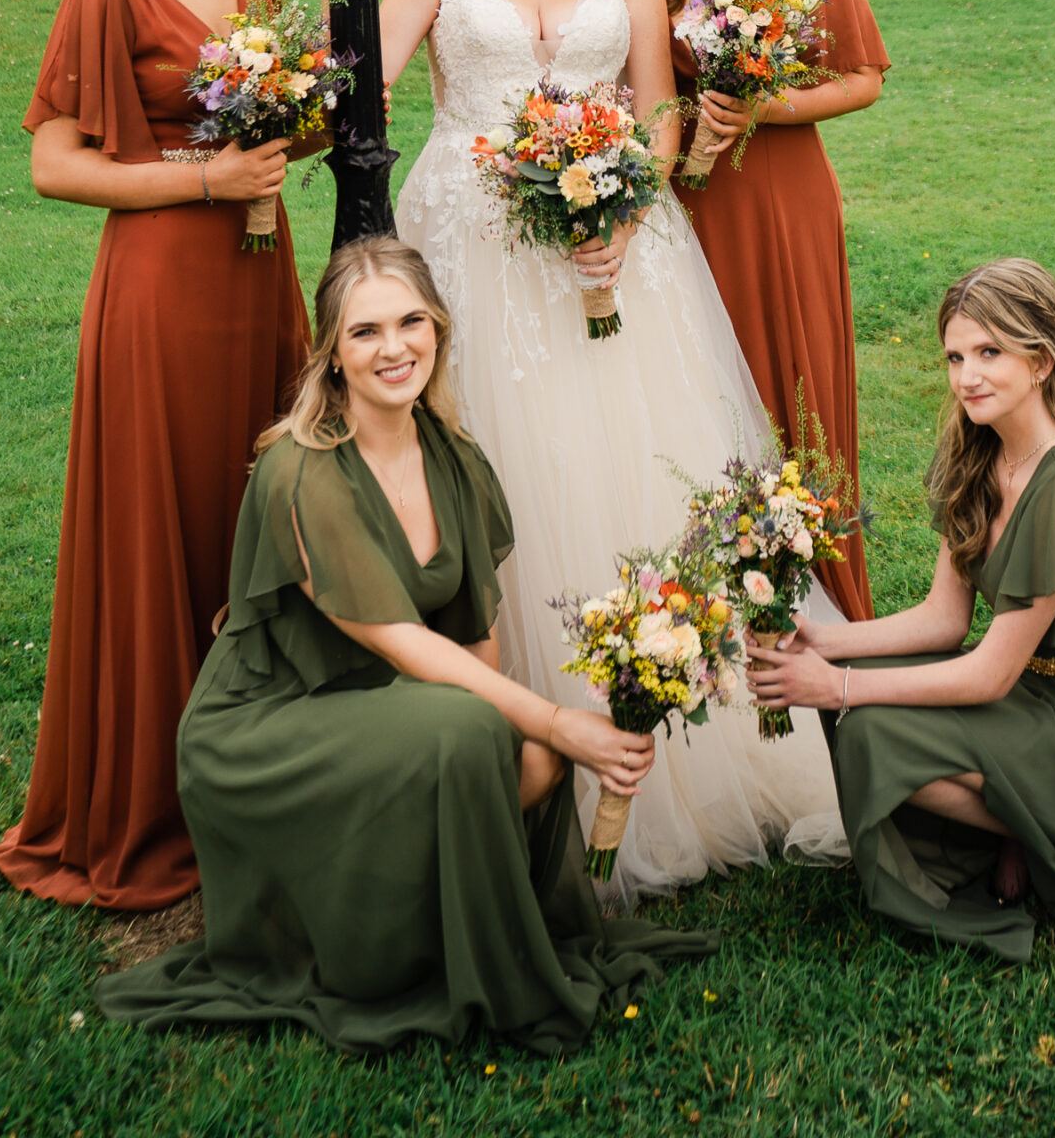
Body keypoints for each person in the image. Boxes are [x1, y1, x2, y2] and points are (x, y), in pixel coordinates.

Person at [307, 0, 845, 899]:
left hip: (617, 249)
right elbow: (369, 83)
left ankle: (684, 735)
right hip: (471, 236)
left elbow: (655, 110)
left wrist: (618, 207)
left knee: (640, 461)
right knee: (507, 458)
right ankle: (518, 733)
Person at [96, 236, 713, 1053]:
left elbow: (474, 639)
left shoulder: (456, 459)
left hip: (384, 706)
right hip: (273, 722)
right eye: (364, 332)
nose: (393, 348)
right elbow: (400, 642)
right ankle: (394, 951)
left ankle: (434, 928)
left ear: (439, 331)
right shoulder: (301, 471)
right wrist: (557, 722)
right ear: (333, 354)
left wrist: (529, 739)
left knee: (520, 757)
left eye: (410, 322)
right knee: (479, 735)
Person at [0, 0, 310, 912]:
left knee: (267, 505)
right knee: (166, 521)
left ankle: (265, 769)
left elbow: (290, 110)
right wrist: (205, 177)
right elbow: (55, 162)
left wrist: (287, 139)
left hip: (264, 276)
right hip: (164, 288)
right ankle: (152, 796)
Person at [749, 259, 1055, 960]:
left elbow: (986, 676)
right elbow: (942, 621)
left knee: (866, 725)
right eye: (954, 356)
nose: (966, 376)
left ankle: (1038, 831)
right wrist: (826, 641)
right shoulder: (977, 457)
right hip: (1035, 693)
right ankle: (1015, 827)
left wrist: (839, 685)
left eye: (989, 354)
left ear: (1039, 363)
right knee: (860, 711)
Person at [635, 0, 887, 618]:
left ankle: (821, 604)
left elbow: (862, 77)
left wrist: (766, 107)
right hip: (684, 211)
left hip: (782, 205)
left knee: (793, 390)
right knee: (693, 396)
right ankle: (705, 604)